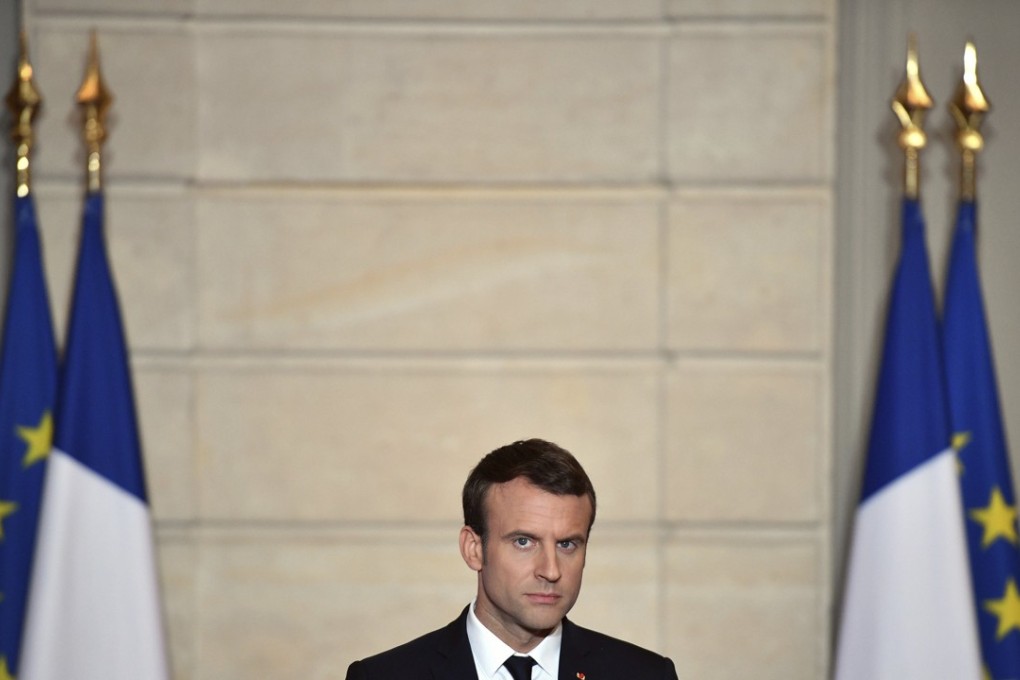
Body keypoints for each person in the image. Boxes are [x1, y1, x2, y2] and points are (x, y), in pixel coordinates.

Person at [345, 438, 679, 680]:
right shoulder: (384, 677)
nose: (550, 570)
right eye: (524, 541)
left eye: (567, 544)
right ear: (474, 549)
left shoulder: (644, 675)